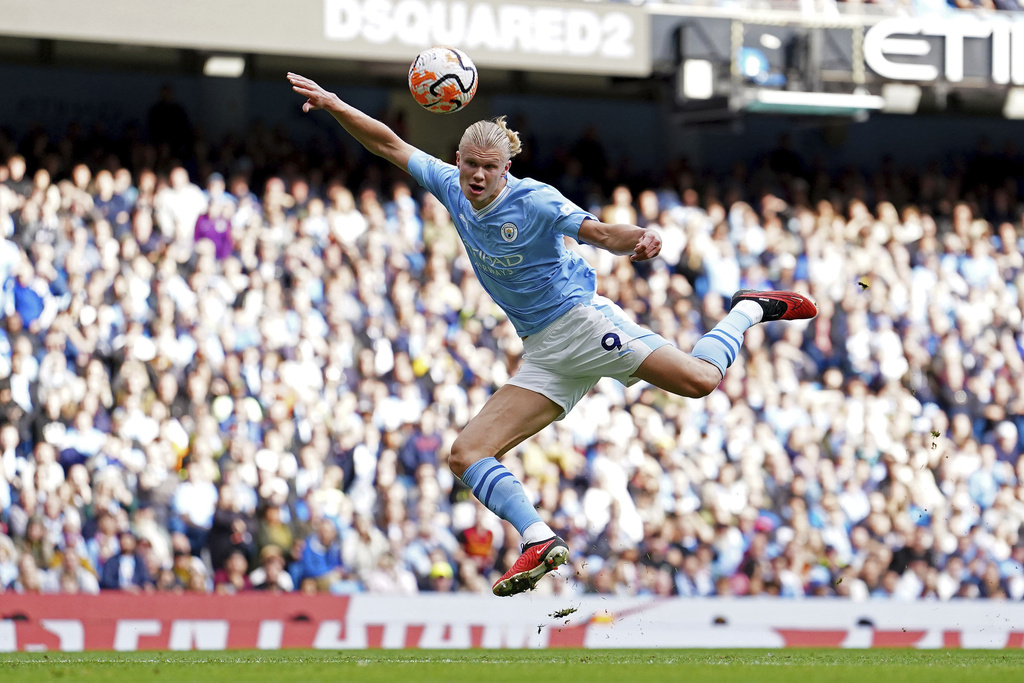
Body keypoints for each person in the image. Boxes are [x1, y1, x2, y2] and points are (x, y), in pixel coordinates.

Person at [287, 72, 817, 597]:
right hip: (543, 350)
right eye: (469, 164)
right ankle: (539, 540)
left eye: (488, 168)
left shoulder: (535, 200)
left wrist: (641, 239)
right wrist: (335, 103)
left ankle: (749, 309)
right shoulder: (449, 185)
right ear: (458, 161)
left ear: (505, 169)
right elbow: (389, 144)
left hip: (582, 325)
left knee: (701, 381)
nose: (475, 176)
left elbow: (599, 232)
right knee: (466, 454)